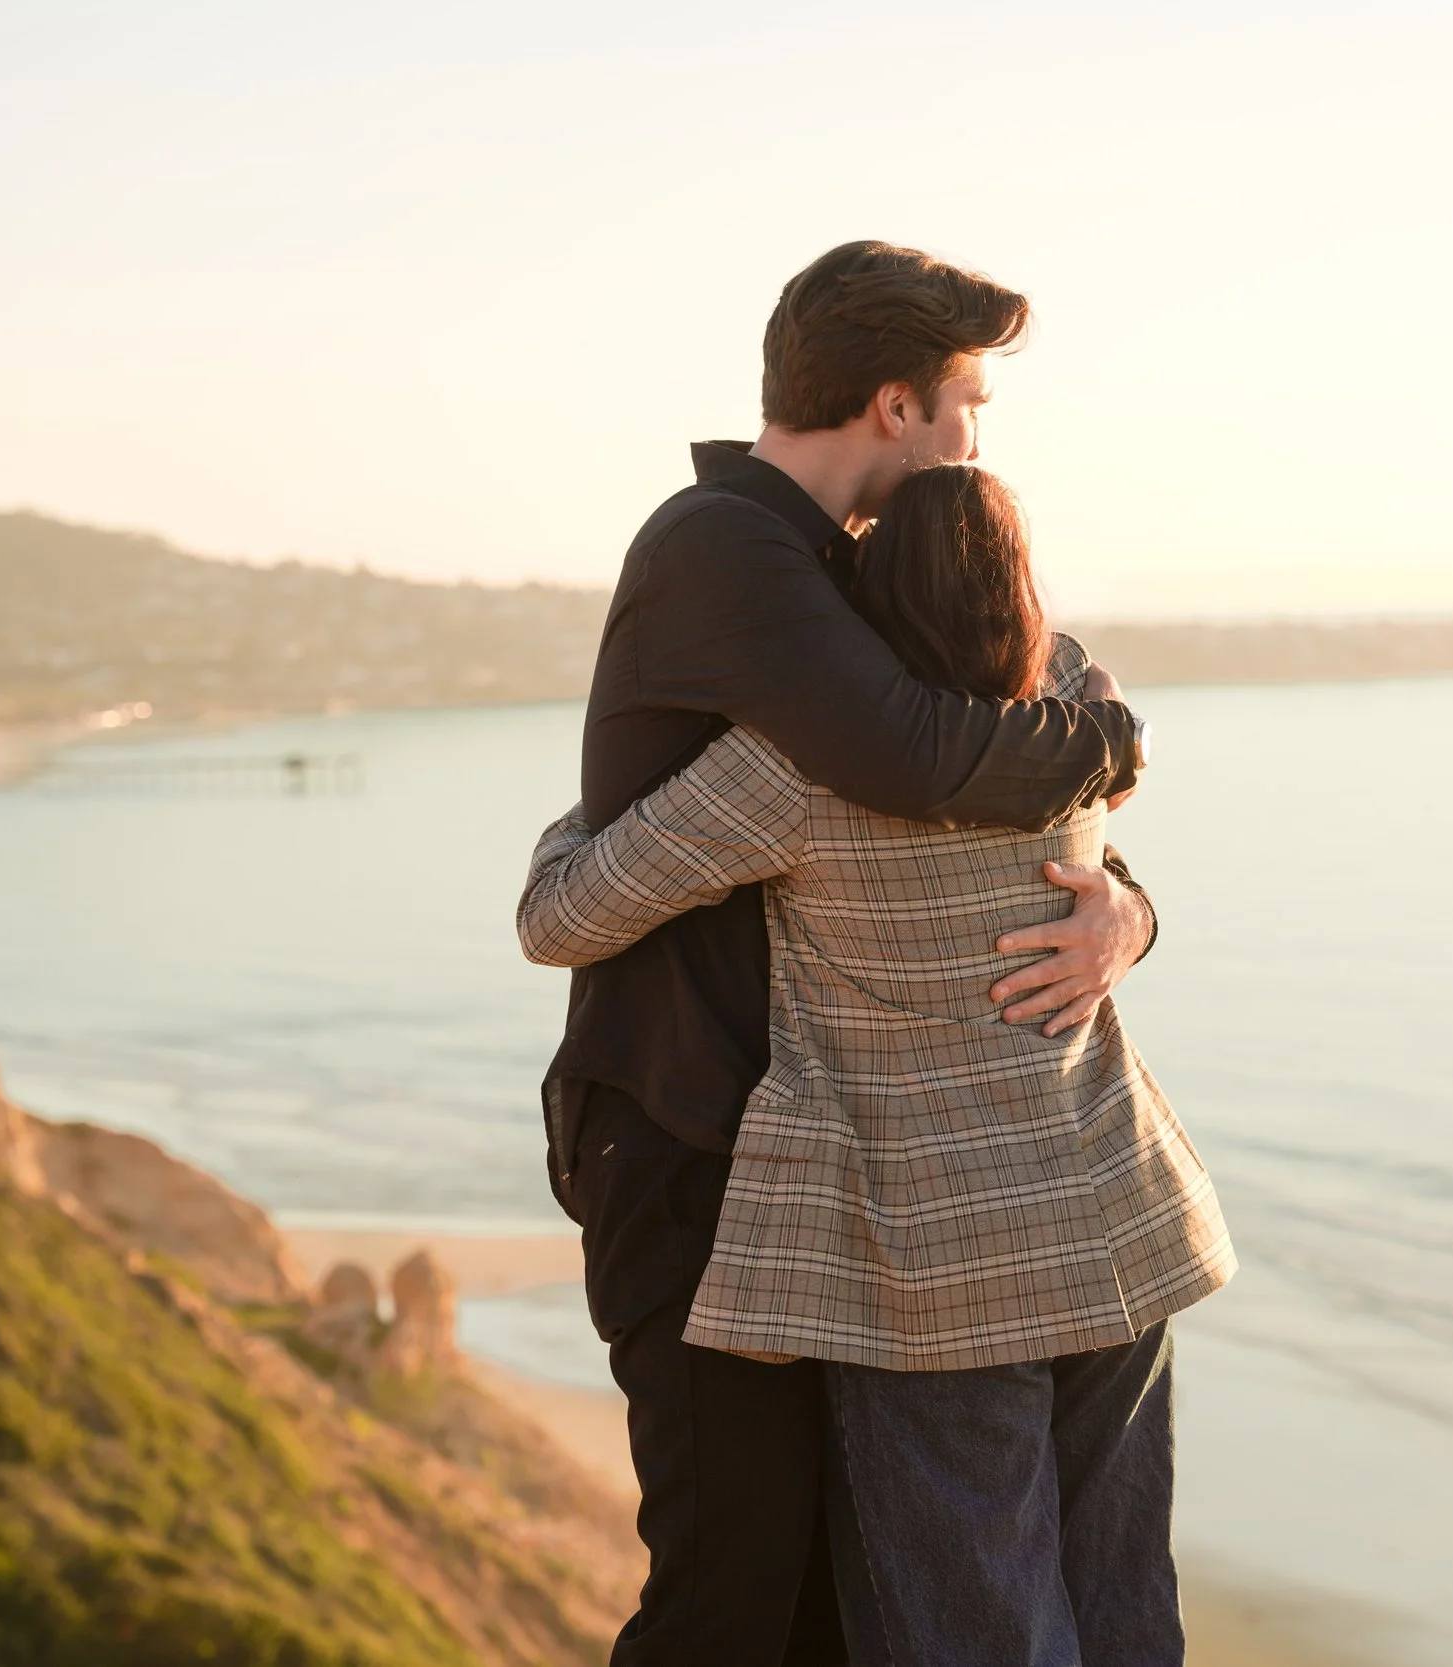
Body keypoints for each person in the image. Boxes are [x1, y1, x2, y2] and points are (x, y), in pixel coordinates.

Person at [543, 242, 1159, 1665]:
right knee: (731, 1588)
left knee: (822, 1602)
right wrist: (1111, 738)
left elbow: (953, 811)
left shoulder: (832, 564)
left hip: (808, 1158)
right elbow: (902, 758)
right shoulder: (725, 546)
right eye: (968, 403)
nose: (975, 437)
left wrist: (1119, 901)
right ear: (895, 406)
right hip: (687, 1140)